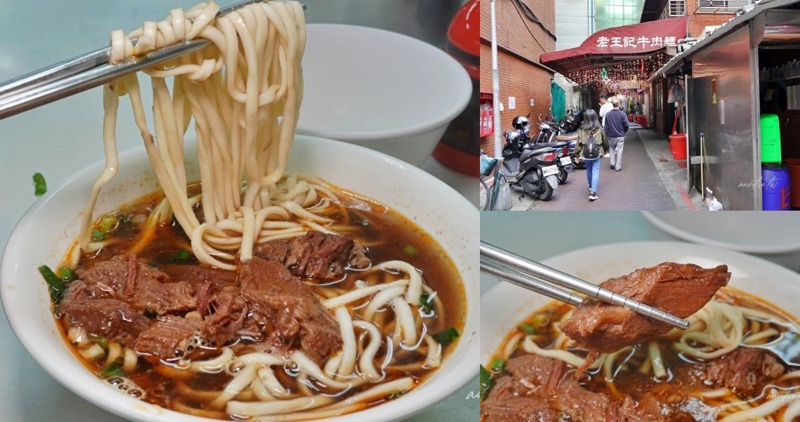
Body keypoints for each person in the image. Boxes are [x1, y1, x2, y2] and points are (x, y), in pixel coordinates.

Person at [572, 109, 606, 202]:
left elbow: (578, 144)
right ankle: (593, 193)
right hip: (597, 152)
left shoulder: (582, 130)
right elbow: (605, 141)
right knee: (595, 171)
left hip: (585, 153)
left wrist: (576, 155)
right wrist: (605, 150)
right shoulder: (600, 129)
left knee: (589, 169)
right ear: (595, 118)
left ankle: (591, 186)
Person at [604, 98, 630, 172]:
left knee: (611, 149)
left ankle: (612, 163)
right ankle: (618, 166)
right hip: (620, 135)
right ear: (618, 105)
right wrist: (624, 131)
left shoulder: (608, 114)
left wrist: (607, 133)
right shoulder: (622, 114)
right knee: (619, 150)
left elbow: (606, 126)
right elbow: (627, 125)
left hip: (611, 135)